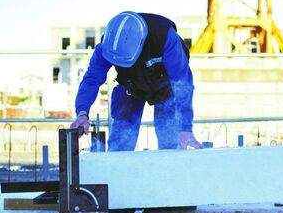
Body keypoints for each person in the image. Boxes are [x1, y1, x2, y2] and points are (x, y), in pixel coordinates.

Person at [70, 11, 203, 151]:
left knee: (170, 140)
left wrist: (185, 128)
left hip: (165, 85)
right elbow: (91, 80)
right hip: (130, 86)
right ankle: (117, 168)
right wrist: (82, 113)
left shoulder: (165, 37)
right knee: (121, 143)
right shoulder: (106, 47)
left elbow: (182, 82)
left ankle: (169, 167)